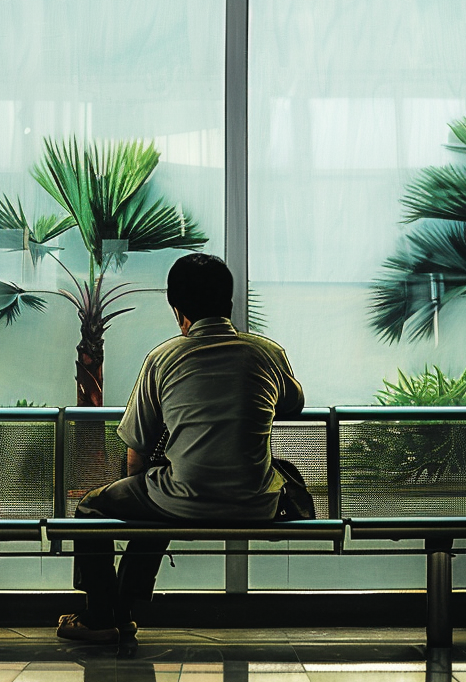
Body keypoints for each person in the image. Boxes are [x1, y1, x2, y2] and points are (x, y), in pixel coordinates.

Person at [57, 252, 304, 643]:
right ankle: (120, 611)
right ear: (230, 302)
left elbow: (137, 446)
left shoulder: (163, 358)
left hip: (183, 499)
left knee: (97, 506)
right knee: (157, 494)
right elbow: (294, 403)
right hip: (257, 502)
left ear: (178, 310)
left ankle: (102, 616)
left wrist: (137, 494)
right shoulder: (267, 353)